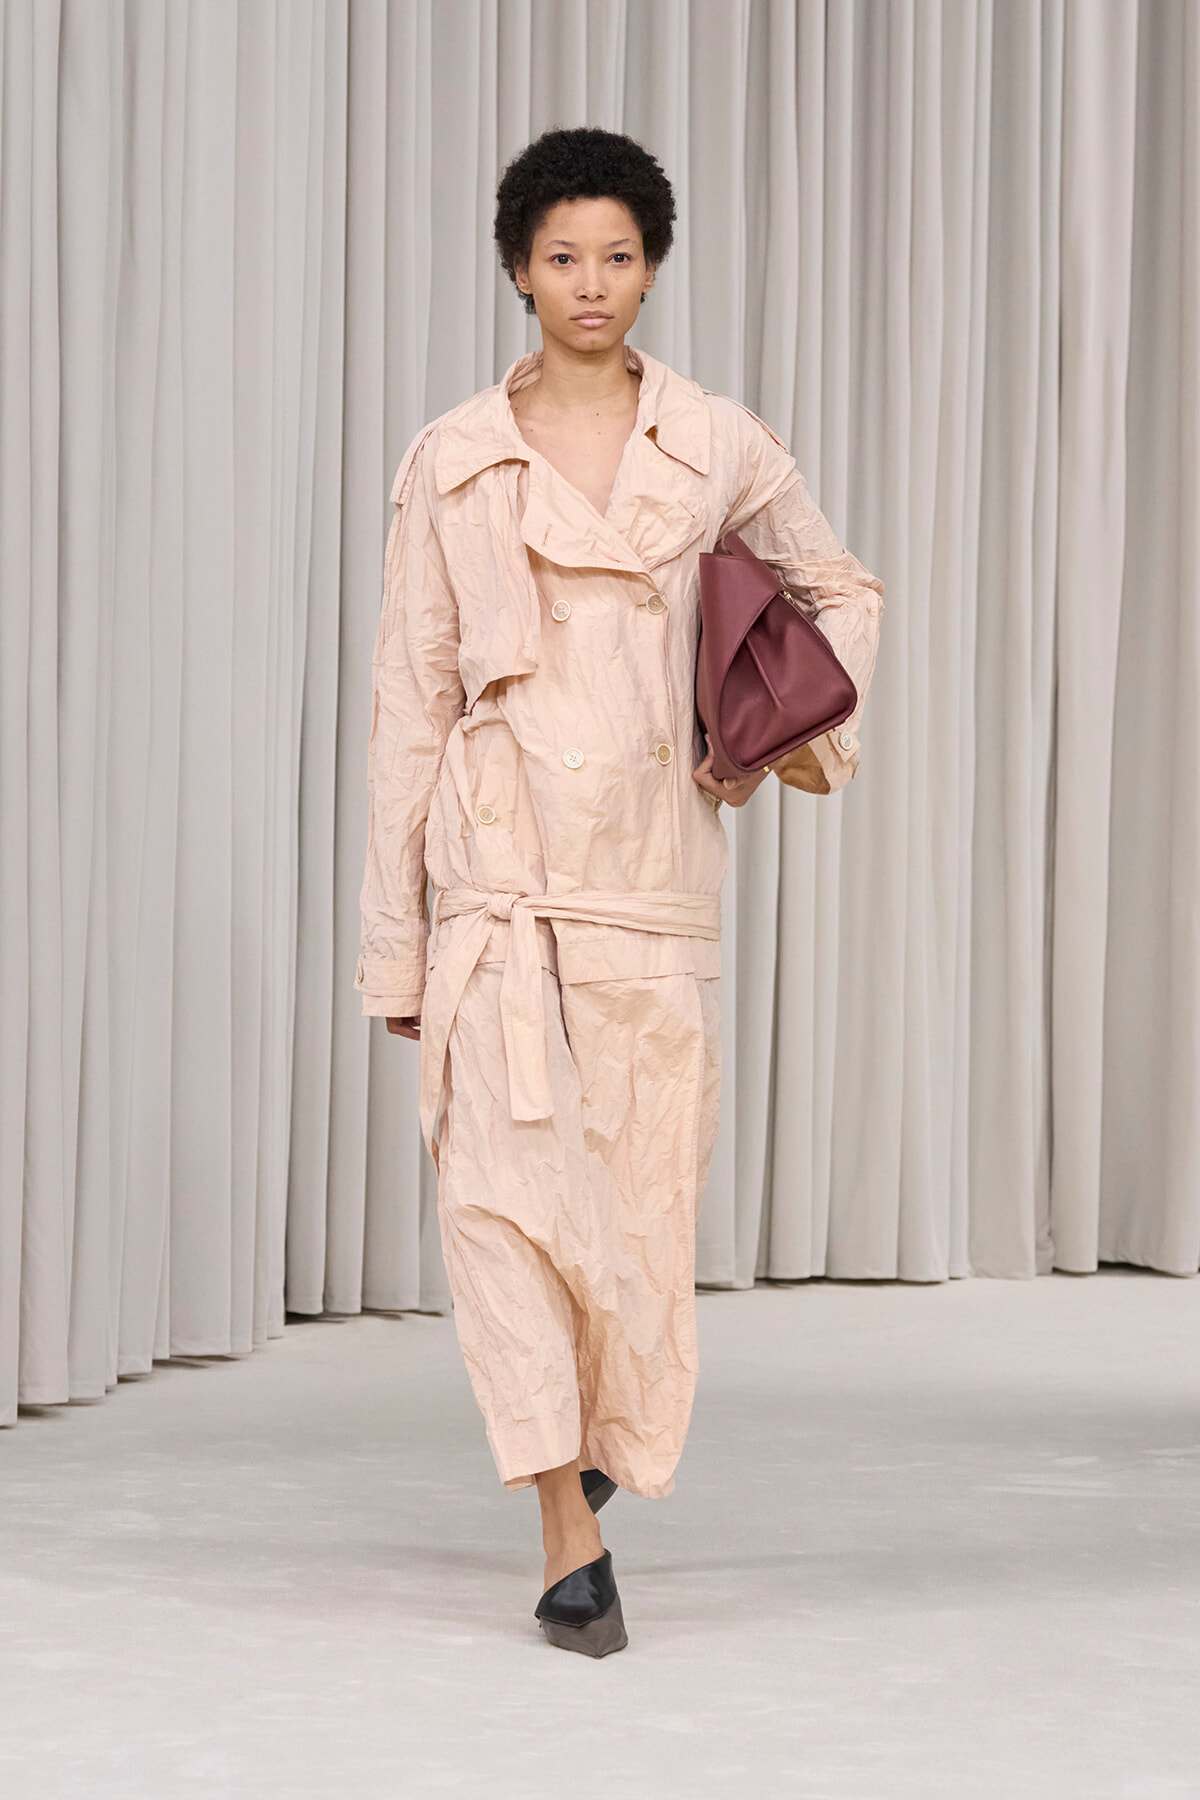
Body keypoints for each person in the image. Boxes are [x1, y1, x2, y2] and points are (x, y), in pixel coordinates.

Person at [356, 127, 883, 1657]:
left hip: (653, 886)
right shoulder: (454, 460)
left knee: (639, 1229)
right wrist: (399, 946)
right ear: (519, 269)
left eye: (620, 255)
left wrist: (759, 737)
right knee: (498, 1217)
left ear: (653, 265)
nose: (593, 284)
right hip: (497, 892)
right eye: (564, 256)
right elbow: (406, 704)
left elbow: (838, 587)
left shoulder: (713, 441)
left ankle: (597, 1443)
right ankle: (560, 1528)